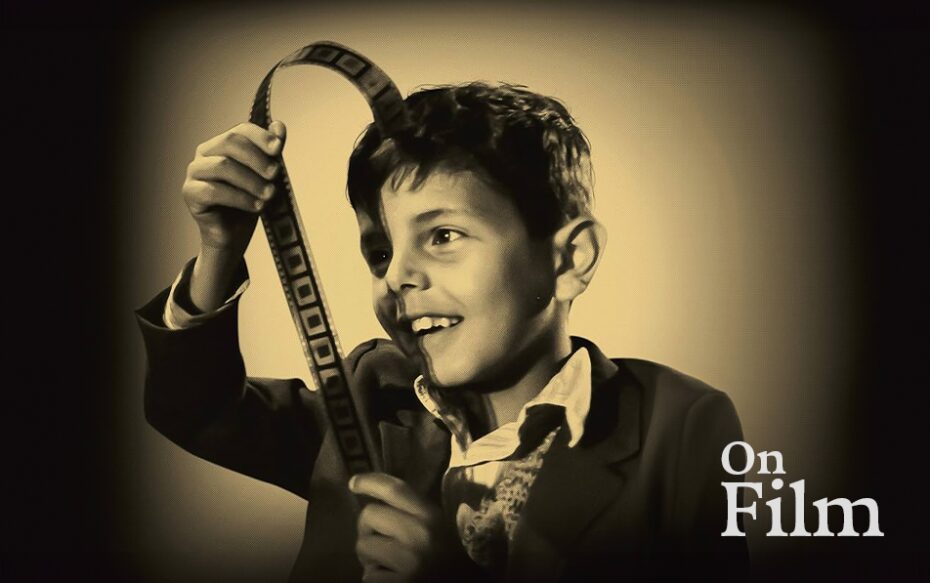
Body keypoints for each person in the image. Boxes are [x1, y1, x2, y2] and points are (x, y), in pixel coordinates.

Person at [135, 82, 749, 582]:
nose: (398, 274)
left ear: (569, 259)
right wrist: (219, 250)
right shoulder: (369, 392)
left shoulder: (681, 426)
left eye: (443, 236)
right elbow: (196, 409)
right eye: (379, 253)